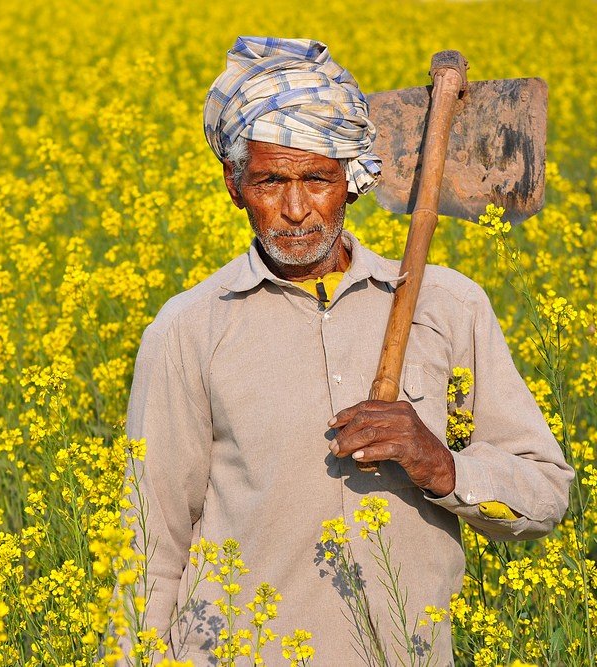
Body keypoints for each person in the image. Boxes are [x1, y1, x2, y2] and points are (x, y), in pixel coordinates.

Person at [122, 36, 574, 666]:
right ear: (234, 185)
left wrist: (443, 467)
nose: (296, 210)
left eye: (317, 179)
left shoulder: (446, 308)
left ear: (353, 181)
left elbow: (545, 493)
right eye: (270, 181)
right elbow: (150, 543)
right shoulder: (188, 331)